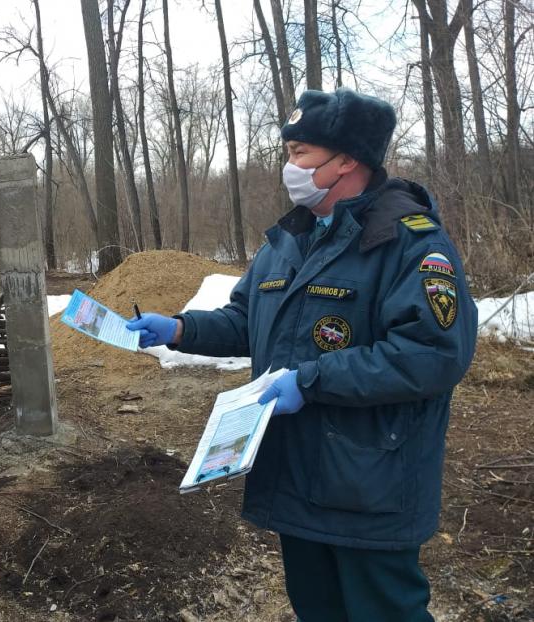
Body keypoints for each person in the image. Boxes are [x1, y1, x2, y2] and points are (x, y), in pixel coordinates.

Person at [128, 88, 477, 621]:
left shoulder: (408, 243)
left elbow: (433, 353)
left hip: (368, 482)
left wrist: (311, 380)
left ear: (347, 161)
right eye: (288, 153)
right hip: (295, 474)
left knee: (384, 611)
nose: (288, 168)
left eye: (300, 154)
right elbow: (247, 321)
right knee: (317, 609)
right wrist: (178, 329)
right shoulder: (288, 240)